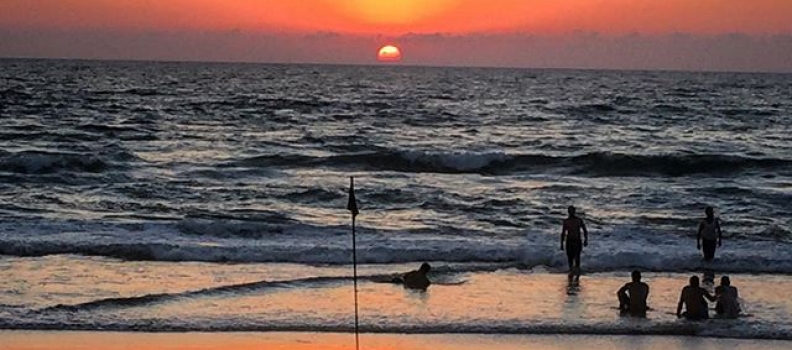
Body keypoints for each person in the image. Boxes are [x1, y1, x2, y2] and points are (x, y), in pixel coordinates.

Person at [561, 206, 588, 281]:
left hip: (577, 241)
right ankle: (571, 271)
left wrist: (586, 240)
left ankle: (577, 273)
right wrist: (561, 243)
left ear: (574, 211)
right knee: (570, 258)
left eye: (572, 211)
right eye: (570, 211)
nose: (571, 212)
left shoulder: (579, 220)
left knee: (577, 257)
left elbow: (585, 230)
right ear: (568, 212)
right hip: (569, 241)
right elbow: (563, 233)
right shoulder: (566, 221)